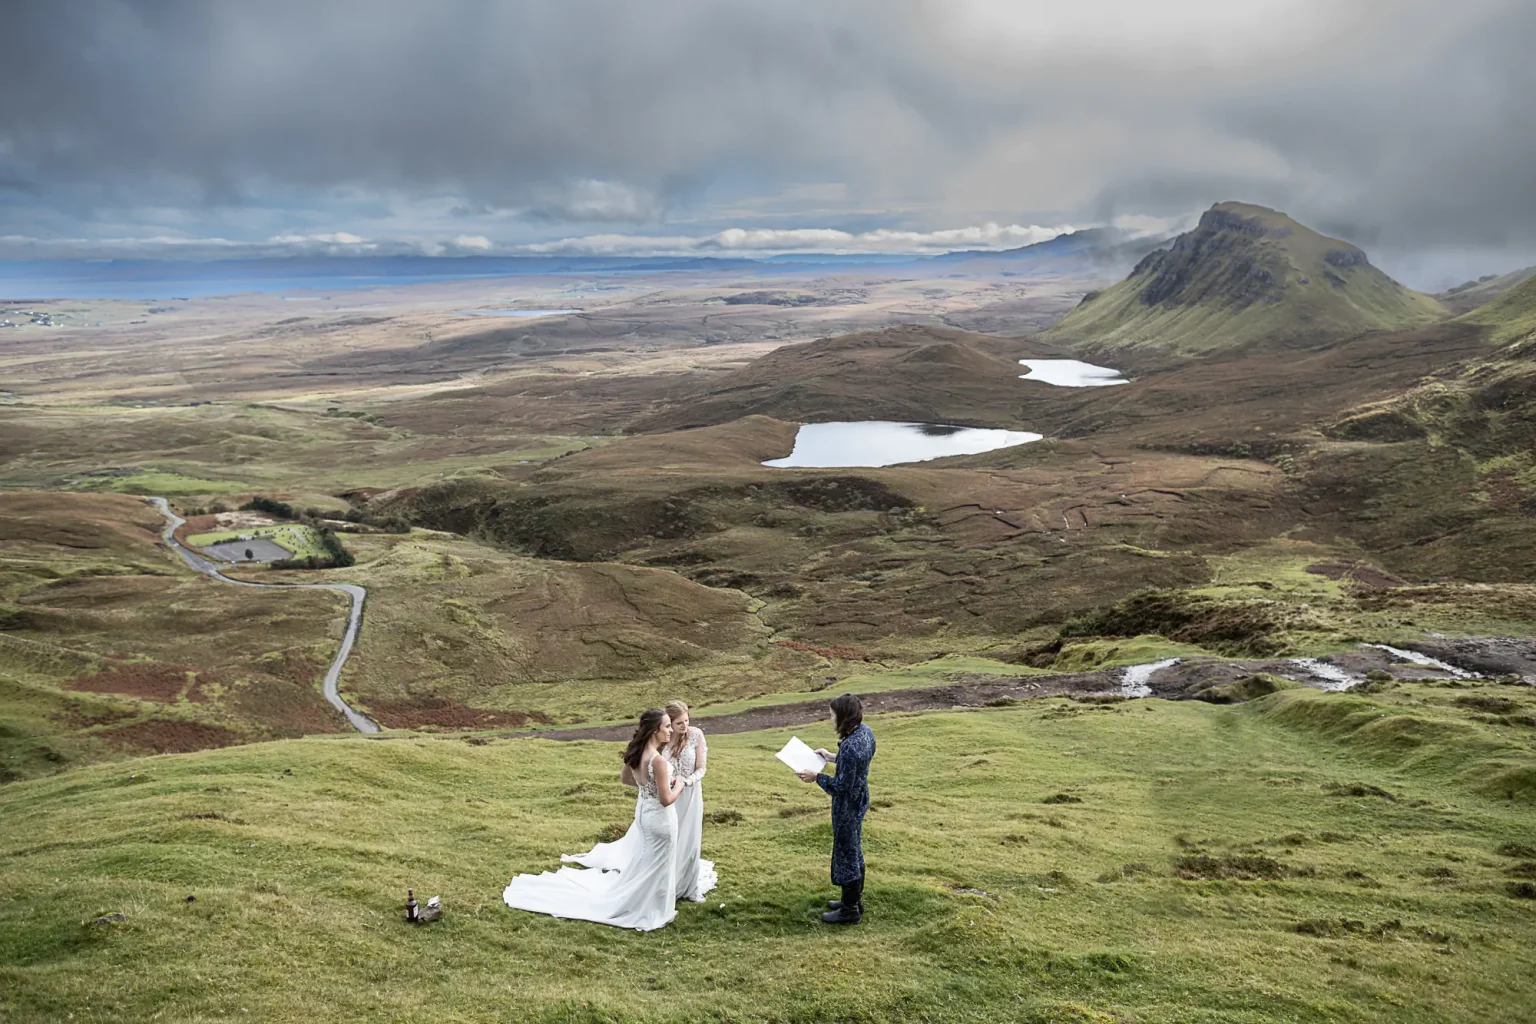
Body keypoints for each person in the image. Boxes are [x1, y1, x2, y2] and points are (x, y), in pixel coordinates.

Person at [503, 708, 682, 931]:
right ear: (656, 730)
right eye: (666, 726)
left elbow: (626, 779)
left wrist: (648, 789)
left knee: (645, 861)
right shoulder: (657, 761)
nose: (669, 730)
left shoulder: (638, 752)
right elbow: (666, 800)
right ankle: (650, 907)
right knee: (658, 863)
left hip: (644, 814)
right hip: (660, 819)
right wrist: (680, 785)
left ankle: (642, 900)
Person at [798, 692, 876, 924]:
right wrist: (832, 757)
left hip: (848, 805)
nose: (831, 719)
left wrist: (816, 777)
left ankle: (850, 910)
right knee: (853, 848)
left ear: (843, 716)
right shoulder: (865, 732)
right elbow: (855, 763)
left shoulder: (851, 746)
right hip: (860, 796)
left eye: (833, 715)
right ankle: (852, 899)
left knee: (847, 852)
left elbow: (841, 786)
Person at [664, 701, 718, 901]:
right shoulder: (662, 737)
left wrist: (687, 781)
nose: (684, 725)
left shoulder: (696, 735)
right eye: (679, 723)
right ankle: (666, 883)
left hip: (691, 793)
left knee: (690, 839)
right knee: (670, 839)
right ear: (669, 723)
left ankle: (688, 885)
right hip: (667, 795)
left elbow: (701, 768)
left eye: (686, 720)